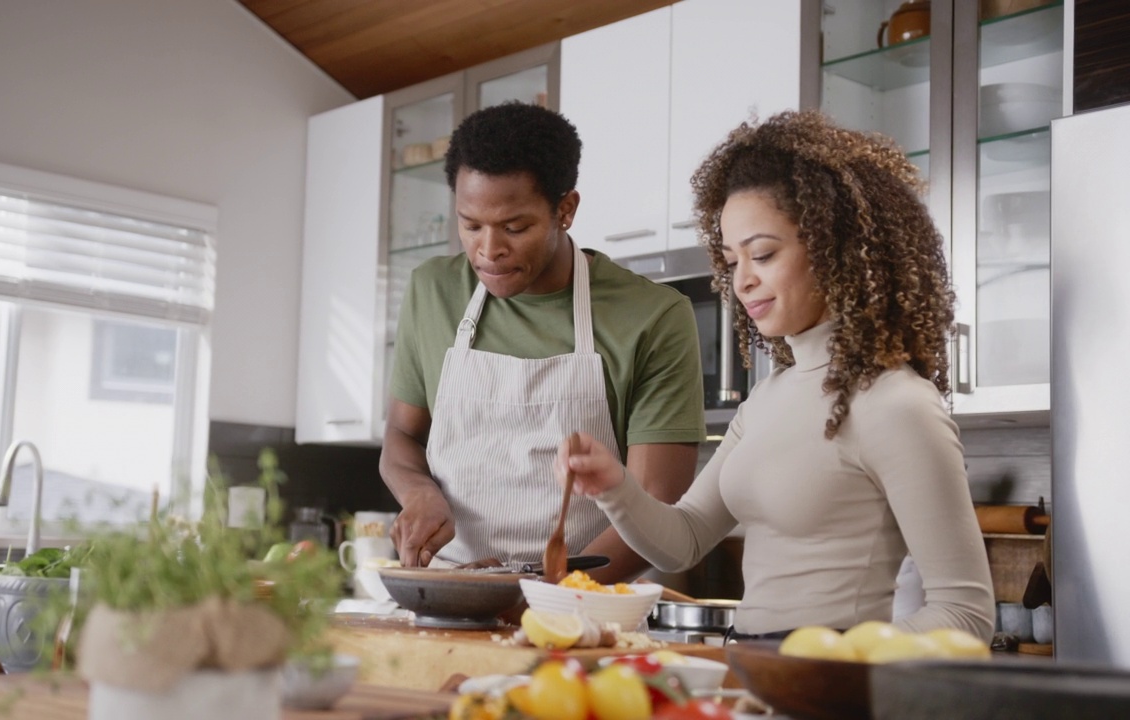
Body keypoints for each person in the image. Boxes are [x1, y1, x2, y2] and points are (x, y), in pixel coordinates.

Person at [555, 110, 995, 640]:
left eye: (762, 254)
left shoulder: (897, 404)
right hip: (751, 671)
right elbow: (686, 538)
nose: (743, 282)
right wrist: (615, 487)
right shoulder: (767, 398)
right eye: (731, 261)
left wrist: (828, 661)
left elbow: (965, 613)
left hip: (830, 690)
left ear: (839, 248)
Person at [380, 102, 707, 582]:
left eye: (515, 228)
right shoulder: (433, 291)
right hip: (447, 592)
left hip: (579, 607)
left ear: (565, 210)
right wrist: (419, 493)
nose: (488, 251)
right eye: (470, 225)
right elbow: (402, 436)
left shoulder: (653, 316)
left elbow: (654, 506)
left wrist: (533, 591)